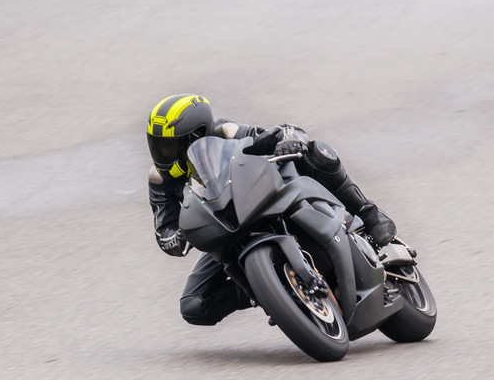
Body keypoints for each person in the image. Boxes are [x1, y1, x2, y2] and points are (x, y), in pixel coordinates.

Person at [146, 93, 398, 326]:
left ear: (197, 134)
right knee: (194, 306)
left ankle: (369, 213)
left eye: (170, 147)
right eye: (158, 146)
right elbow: (164, 231)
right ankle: (272, 293)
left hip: (261, 198)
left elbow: (279, 133)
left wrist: (288, 141)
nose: (163, 155)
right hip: (224, 229)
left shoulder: (226, 132)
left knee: (317, 152)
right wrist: (179, 235)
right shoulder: (159, 178)